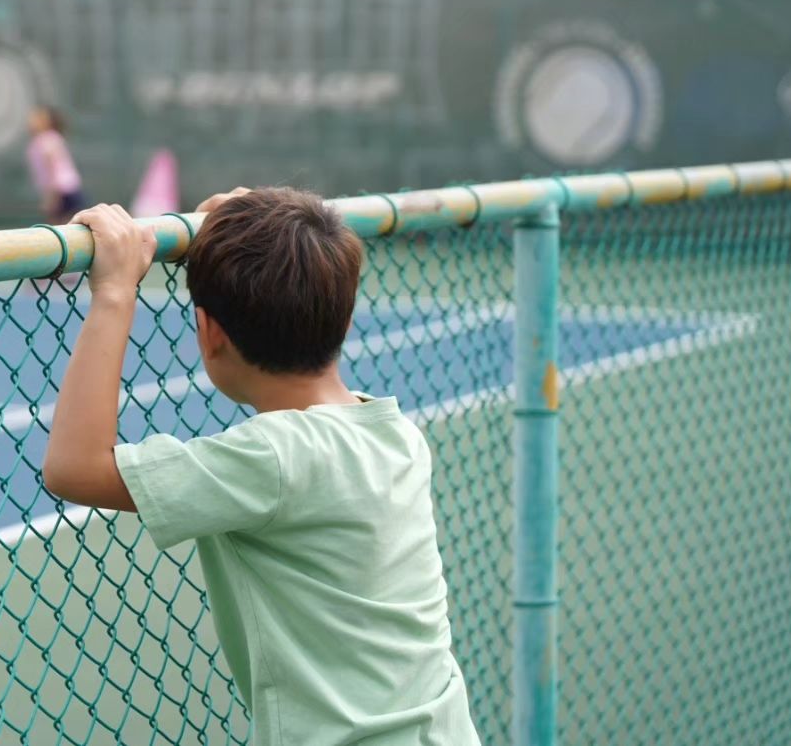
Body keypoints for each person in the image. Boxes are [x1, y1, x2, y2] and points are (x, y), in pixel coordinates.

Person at [42, 188, 480, 746]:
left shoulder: (275, 457)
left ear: (211, 334)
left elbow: (73, 469)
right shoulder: (393, 432)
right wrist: (265, 218)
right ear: (341, 319)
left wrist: (114, 293)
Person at [25, 106, 84, 225]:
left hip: (64, 192)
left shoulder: (47, 140)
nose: (31, 120)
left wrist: (52, 198)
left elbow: (53, 170)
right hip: (65, 191)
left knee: (61, 230)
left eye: (38, 118)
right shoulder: (44, 140)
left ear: (47, 122)